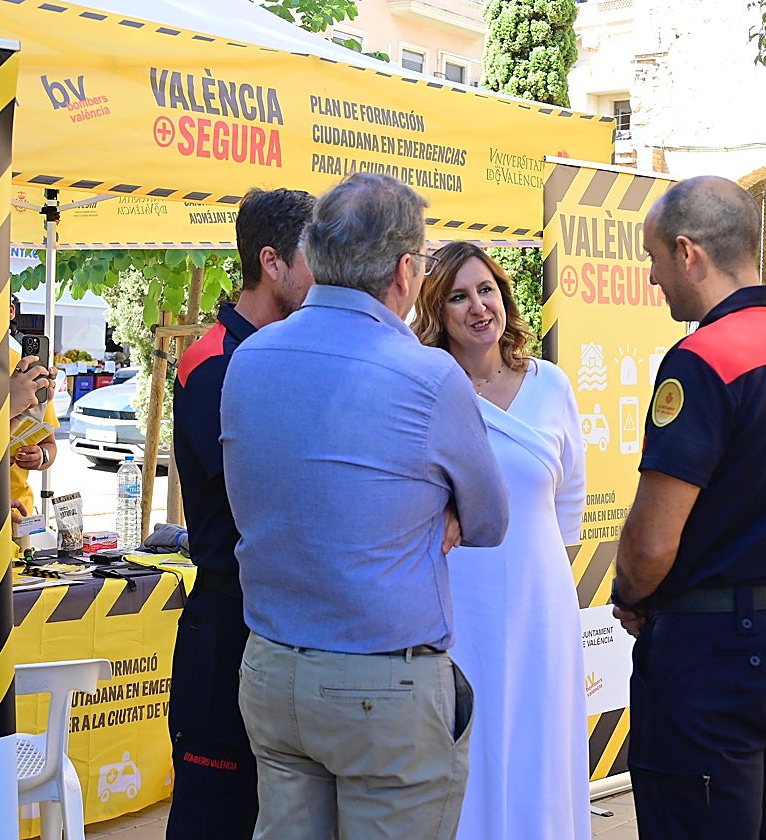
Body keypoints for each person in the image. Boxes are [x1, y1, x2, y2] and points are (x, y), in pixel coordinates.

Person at [221, 172, 510, 839]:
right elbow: (490, 520)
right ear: (406, 271)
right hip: (382, 688)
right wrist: (439, 511)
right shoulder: (427, 375)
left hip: (272, 670)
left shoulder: (250, 357)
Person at [610, 176, 766, 839]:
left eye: (654, 260)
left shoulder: (704, 358)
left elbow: (652, 543)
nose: (654, 279)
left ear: (688, 253)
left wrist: (631, 593)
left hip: (715, 657)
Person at [412, 241, 589, 839]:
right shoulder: (426, 391)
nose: (478, 307)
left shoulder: (551, 385)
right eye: (458, 297)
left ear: (505, 297)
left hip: (542, 602)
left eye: (486, 290)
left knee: (542, 743)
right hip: (460, 602)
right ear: (437, 312)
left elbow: (569, 503)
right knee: (471, 740)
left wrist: (536, 579)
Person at [167, 187, 316, 840]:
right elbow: (260, 495)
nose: (327, 273)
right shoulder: (213, 362)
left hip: (286, 626)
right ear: (272, 262)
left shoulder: (286, 353)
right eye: (315, 256)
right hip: (230, 625)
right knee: (216, 818)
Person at [9, 295, 58, 516]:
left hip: (20, 511)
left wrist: (41, 456)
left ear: (10, 312)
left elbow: (49, 443)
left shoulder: (29, 368)